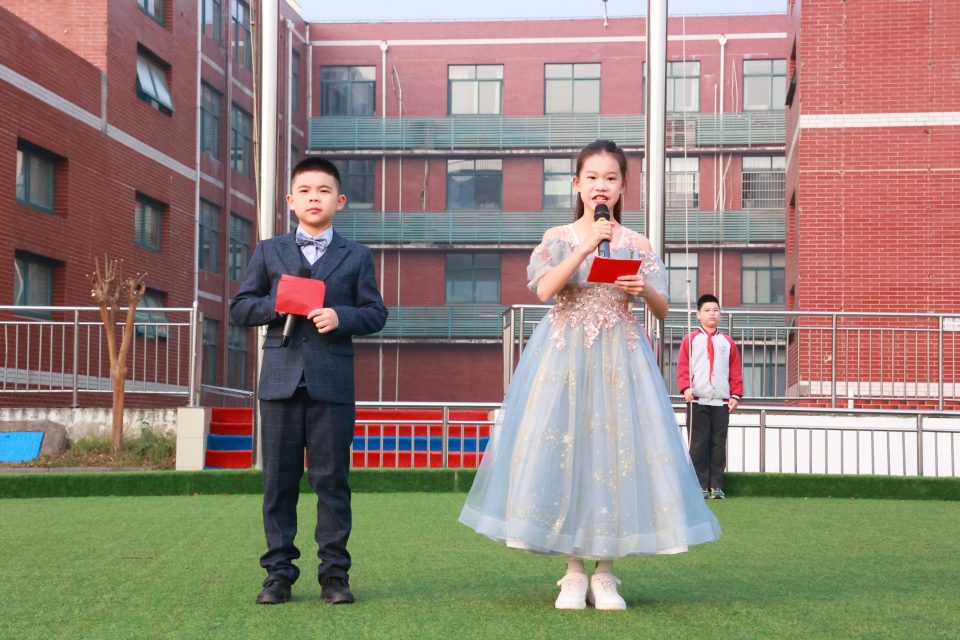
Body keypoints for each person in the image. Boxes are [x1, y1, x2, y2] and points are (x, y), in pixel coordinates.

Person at [459, 140, 720, 611]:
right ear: (577, 184)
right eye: (593, 177)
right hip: (564, 357)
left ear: (623, 187)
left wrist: (642, 289)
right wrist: (583, 246)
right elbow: (544, 289)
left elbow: (662, 310)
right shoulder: (559, 236)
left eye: (611, 178)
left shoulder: (637, 243)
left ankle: (606, 572)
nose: (602, 186)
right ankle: (573, 571)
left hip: (620, 357)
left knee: (616, 454)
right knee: (567, 450)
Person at [230, 157, 388, 605]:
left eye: (323, 190)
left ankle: (334, 576)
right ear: (290, 200)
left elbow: (376, 313)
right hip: (279, 382)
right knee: (278, 485)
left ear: (340, 201)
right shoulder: (269, 251)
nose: (314, 197)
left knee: (331, 482)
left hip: (332, 385)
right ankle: (277, 575)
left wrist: (341, 316)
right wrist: (276, 305)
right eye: (305, 190)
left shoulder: (357, 255)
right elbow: (240, 307)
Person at [676, 293, 743, 500]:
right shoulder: (690, 340)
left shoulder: (727, 342)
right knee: (698, 443)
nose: (711, 313)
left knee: (718, 443)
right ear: (698, 314)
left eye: (715, 310)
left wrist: (735, 395)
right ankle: (700, 486)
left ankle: (716, 486)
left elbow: (735, 370)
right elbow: (683, 367)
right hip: (697, 399)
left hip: (721, 400)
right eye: (706, 310)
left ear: (720, 314)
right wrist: (685, 388)